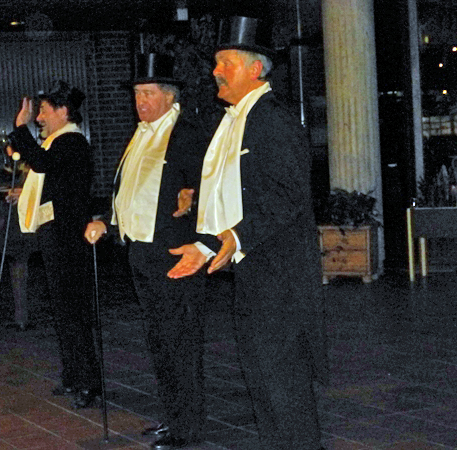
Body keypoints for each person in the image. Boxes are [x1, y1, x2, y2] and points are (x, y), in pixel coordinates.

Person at [167, 17, 329, 450]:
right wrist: (204, 242)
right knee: (263, 386)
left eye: (227, 63)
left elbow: (287, 196)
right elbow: (232, 196)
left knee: (284, 389)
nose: (216, 71)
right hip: (255, 277)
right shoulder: (235, 120)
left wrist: (234, 239)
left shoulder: (272, 121)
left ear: (256, 70)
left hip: (281, 279)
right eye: (216, 63)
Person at [85, 53, 210, 450]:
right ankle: (172, 416)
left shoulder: (186, 133)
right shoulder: (139, 135)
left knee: (180, 339)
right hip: (140, 251)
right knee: (159, 339)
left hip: (175, 252)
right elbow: (131, 191)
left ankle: (187, 427)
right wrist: (107, 221)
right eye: (137, 94)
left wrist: (193, 198)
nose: (140, 101)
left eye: (149, 93)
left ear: (170, 96)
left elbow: (208, 186)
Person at [6, 80, 101, 409]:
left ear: (63, 111)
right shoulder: (59, 143)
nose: (39, 118)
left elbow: (42, 164)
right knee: (63, 310)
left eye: (44, 111)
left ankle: (88, 381)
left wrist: (20, 128)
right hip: (57, 235)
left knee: (74, 311)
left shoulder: (71, 141)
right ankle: (74, 374)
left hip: (69, 238)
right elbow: (55, 181)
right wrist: (26, 193)